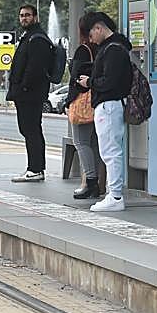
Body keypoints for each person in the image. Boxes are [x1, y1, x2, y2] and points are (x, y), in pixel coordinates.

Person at [79, 12, 133, 213]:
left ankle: (115, 195)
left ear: (98, 28)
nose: (89, 39)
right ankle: (114, 193)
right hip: (111, 104)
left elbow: (109, 81)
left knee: (110, 152)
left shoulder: (112, 50)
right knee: (110, 151)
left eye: (90, 34)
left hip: (109, 105)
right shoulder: (116, 47)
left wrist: (89, 82)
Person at [8, 4, 51, 183]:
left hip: (30, 94)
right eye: (21, 15)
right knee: (28, 129)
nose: (24, 18)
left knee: (31, 130)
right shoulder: (29, 37)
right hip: (25, 94)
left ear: (35, 17)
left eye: (27, 15)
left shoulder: (37, 38)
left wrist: (24, 87)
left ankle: (35, 169)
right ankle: (34, 168)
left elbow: (35, 67)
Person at [64, 12, 103, 200]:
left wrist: (67, 101)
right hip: (98, 101)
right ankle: (97, 183)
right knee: (94, 143)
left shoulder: (83, 50)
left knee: (81, 142)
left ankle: (90, 182)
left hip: (83, 103)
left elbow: (75, 80)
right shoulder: (102, 49)